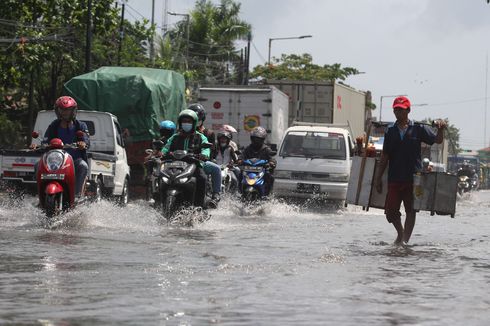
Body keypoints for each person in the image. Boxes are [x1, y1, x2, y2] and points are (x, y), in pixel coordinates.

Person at [374, 96, 446, 244]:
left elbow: (438, 140)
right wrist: (378, 178)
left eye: (400, 109)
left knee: (411, 211)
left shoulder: (419, 129)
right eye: (395, 109)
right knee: (390, 211)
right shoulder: (390, 131)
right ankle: (400, 233)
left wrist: (441, 128)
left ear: (408, 110)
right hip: (394, 178)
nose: (397, 112)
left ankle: (404, 242)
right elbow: (385, 156)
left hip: (414, 179)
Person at [34, 96, 90, 197]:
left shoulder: (81, 126)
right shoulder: (54, 125)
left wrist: (83, 143)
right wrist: (37, 146)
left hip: (74, 160)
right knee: (37, 165)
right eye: (62, 110)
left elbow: (86, 140)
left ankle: (77, 195)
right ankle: (40, 194)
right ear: (57, 111)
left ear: (73, 111)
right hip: (56, 160)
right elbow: (46, 140)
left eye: (68, 110)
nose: (65, 112)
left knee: (83, 166)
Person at [161, 109, 210, 208]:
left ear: (194, 123)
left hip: (193, 165)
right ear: (180, 123)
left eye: (189, 122)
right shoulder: (174, 137)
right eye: (184, 121)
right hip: (174, 165)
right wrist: (161, 153)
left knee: (202, 178)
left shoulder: (201, 137)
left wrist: (203, 155)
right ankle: (159, 203)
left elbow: (206, 150)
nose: (186, 123)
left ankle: (199, 208)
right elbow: (165, 148)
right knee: (160, 177)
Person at [187, 103, 222, 202]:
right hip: (183, 160)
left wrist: (203, 156)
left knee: (216, 169)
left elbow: (210, 152)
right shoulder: (181, 132)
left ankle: (216, 194)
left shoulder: (208, 133)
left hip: (200, 161)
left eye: (197, 117)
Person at [239, 126, 277, 196]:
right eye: (255, 139)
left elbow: (272, 158)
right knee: (240, 173)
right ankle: (240, 192)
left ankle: (268, 194)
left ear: (262, 140)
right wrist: (240, 160)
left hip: (262, 171)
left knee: (270, 176)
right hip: (249, 171)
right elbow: (242, 155)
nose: (256, 141)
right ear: (252, 139)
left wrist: (271, 163)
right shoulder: (248, 149)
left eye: (258, 139)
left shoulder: (266, 149)